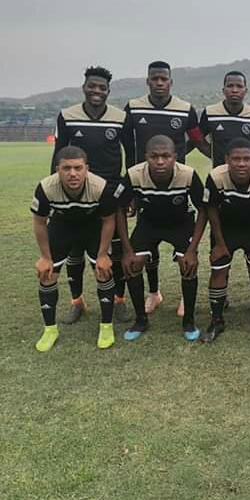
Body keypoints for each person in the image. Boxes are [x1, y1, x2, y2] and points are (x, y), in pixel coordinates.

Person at [122, 61, 208, 317]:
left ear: (171, 82)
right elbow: (127, 146)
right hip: (144, 184)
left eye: (164, 79)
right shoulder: (133, 108)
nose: (159, 83)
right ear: (147, 81)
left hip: (175, 186)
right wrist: (132, 188)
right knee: (148, 244)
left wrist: (222, 160)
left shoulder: (185, 109)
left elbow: (197, 140)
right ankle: (153, 293)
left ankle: (184, 298)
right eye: (155, 78)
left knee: (184, 251)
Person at [50, 66, 133, 326]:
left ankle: (119, 300)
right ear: (84, 87)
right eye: (92, 86)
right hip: (76, 193)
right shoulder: (67, 116)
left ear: (108, 91)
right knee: (75, 250)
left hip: (110, 192)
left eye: (102, 87)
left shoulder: (120, 117)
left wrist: (129, 193)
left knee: (115, 251)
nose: (97, 91)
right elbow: (58, 155)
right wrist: (55, 191)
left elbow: (131, 155)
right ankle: (77, 302)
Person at [118, 135, 207, 341]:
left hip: (180, 223)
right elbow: (119, 209)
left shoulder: (188, 174)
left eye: (166, 156)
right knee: (133, 264)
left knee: (188, 265)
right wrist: (127, 250)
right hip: (149, 223)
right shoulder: (133, 174)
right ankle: (141, 320)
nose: (160, 161)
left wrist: (192, 249)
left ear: (175, 157)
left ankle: (189, 321)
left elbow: (203, 210)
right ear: (146, 157)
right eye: (154, 156)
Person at [31, 146, 119, 352]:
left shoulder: (100, 186)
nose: (72, 173)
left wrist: (103, 255)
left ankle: (106, 327)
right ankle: (50, 330)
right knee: (47, 274)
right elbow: (39, 222)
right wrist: (45, 257)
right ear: (57, 170)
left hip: (92, 227)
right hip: (62, 227)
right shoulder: (45, 187)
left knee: (104, 271)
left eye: (78, 168)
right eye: (66, 168)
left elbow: (109, 221)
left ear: (87, 168)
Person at [201, 137, 250, 343]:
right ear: (227, 159)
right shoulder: (215, 177)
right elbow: (211, 209)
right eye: (236, 159)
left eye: (246, 159)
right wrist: (219, 243)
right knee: (219, 269)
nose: (241, 164)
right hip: (226, 229)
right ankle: (217, 320)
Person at [198, 71, 250, 168]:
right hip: (219, 173)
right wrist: (214, 155)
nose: (235, 90)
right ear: (223, 90)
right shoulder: (210, 112)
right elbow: (198, 139)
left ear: (245, 90)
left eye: (239, 86)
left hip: (246, 173)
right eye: (230, 86)